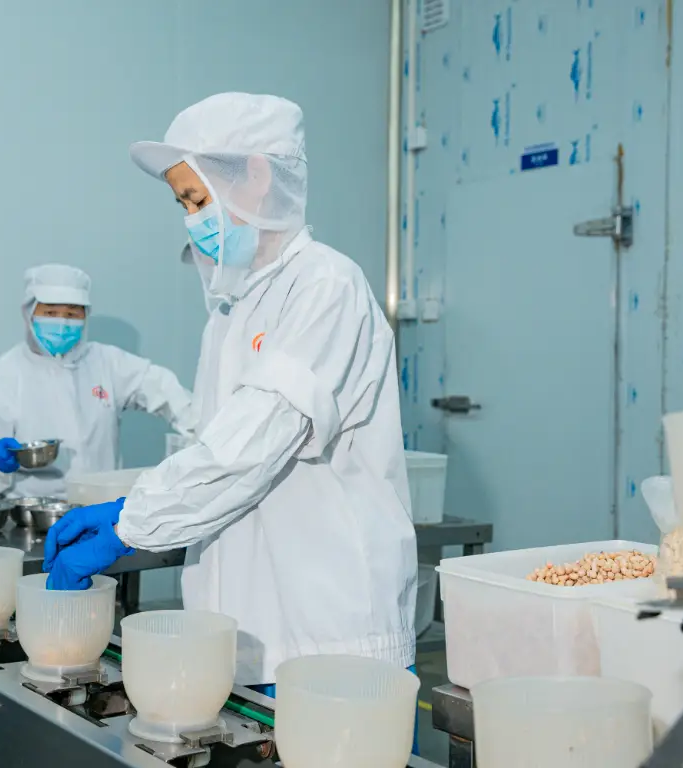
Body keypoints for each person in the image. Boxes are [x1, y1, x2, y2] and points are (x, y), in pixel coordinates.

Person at [44, 94, 418, 699]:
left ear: (259, 175)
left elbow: (253, 443)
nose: (191, 219)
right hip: (245, 632)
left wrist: (133, 520)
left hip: (330, 635)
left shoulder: (326, 286)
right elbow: (219, 447)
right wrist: (137, 514)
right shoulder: (230, 311)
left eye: (196, 199)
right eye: (183, 205)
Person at [0, 263, 196, 499]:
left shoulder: (106, 362)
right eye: (50, 312)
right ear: (29, 313)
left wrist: (206, 435)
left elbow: (164, 389)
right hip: (33, 518)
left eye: (72, 312)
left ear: (85, 315)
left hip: (101, 510)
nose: (63, 322)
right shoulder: (3, 377)